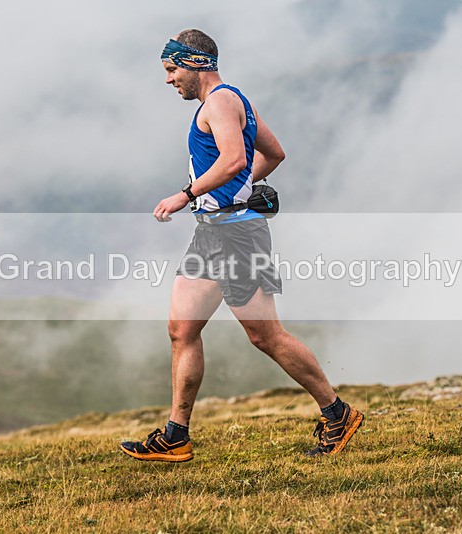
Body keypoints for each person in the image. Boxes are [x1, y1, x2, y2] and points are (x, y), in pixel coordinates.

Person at [120, 29, 363, 461]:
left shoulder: (218, 103)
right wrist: (241, 187)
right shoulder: (232, 101)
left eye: (172, 69)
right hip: (212, 233)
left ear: (194, 63)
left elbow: (234, 159)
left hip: (236, 235)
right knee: (182, 329)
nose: (168, 79)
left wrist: (187, 194)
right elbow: (273, 153)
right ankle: (176, 435)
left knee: (265, 336)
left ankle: (337, 413)